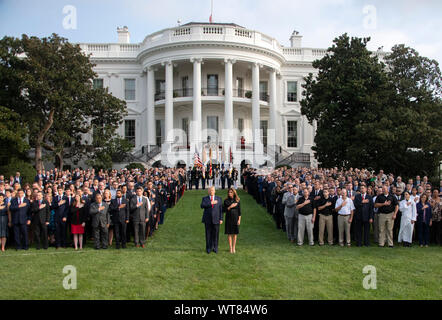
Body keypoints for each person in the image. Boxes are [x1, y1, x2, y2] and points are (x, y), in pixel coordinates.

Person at [201, 186, 223, 254]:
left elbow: (221, 210)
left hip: (216, 219)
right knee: (208, 234)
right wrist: (211, 203)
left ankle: (215, 247)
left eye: (212, 190)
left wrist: (221, 218)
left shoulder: (219, 199)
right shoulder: (205, 198)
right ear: (208, 191)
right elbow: (202, 206)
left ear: (215, 191)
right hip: (207, 219)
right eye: (210, 190)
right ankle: (208, 248)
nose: (211, 192)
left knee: (216, 234)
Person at [223, 187, 241, 254]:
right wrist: (230, 206)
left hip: (235, 218)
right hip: (228, 218)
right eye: (229, 192)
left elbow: (239, 212)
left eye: (231, 192)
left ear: (234, 193)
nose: (229, 193)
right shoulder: (226, 201)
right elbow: (224, 210)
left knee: (235, 233)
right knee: (229, 233)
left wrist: (239, 220)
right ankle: (230, 248)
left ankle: (234, 247)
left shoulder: (237, 200)